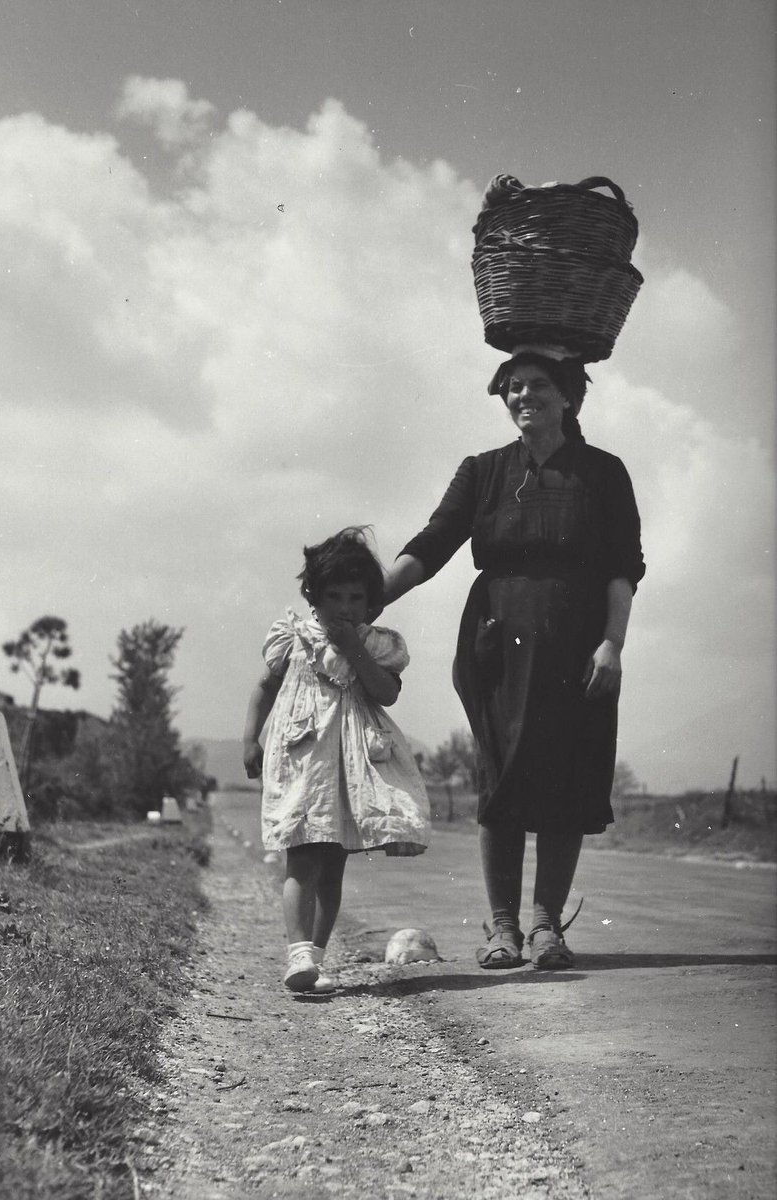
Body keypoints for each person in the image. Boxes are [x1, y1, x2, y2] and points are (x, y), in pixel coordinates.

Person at [382, 349, 645, 970]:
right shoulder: (484, 471)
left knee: (569, 774)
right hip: (498, 643)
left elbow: (623, 569)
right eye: (514, 387)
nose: (524, 396)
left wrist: (613, 643)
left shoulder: (604, 473)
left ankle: (547, 927)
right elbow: (431, 545)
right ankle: (503, 929)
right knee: (501, 777)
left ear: (569, 395)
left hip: (580, 642)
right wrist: (368, 602)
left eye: (538, 385)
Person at [243, 527, 431, 992]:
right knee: (302, 857)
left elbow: (387, 692)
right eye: (334, 596)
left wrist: (356, 652)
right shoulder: (293, 638)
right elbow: (265, 688)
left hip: (350, 766)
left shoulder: (375, 643)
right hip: (305, 757)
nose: (345, 607)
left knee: (333, 864)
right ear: (313, 595)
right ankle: (297, 953)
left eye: (355, 597)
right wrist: (252, 738)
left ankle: (316, 960)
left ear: (369, 601)